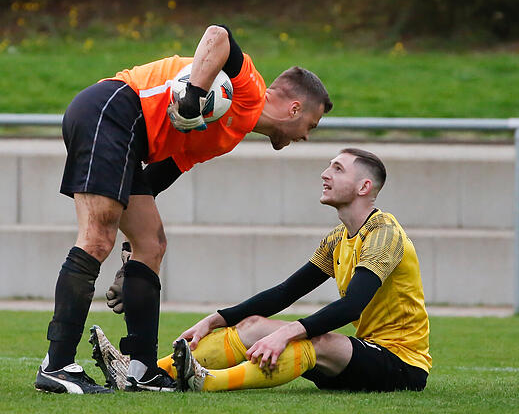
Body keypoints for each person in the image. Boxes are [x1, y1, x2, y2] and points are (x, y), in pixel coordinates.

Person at [34, 24, 333, 394]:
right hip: (111, 112)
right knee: (96, 239)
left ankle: (141, 371)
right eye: (311, 124)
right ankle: (57, 365)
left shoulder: (230, 133)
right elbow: (218, 35)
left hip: (125, 133)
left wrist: (131, 266)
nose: (305, 135)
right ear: (294, 107)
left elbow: (157, 178)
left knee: (151, 246)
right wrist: (192, 95)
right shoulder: (249, 89)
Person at [90, 148, 431, 393]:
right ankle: (145, 373)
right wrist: (217, 319)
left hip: (402, 364)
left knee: (312, 342)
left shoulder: (384, 232)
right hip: (363, 353)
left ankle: (207, 381)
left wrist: (287, 332)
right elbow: (285, 292)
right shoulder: (338, 238)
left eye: (338, 169)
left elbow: (352, 305)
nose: (325, 174)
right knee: (252, 326)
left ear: (364, 188)